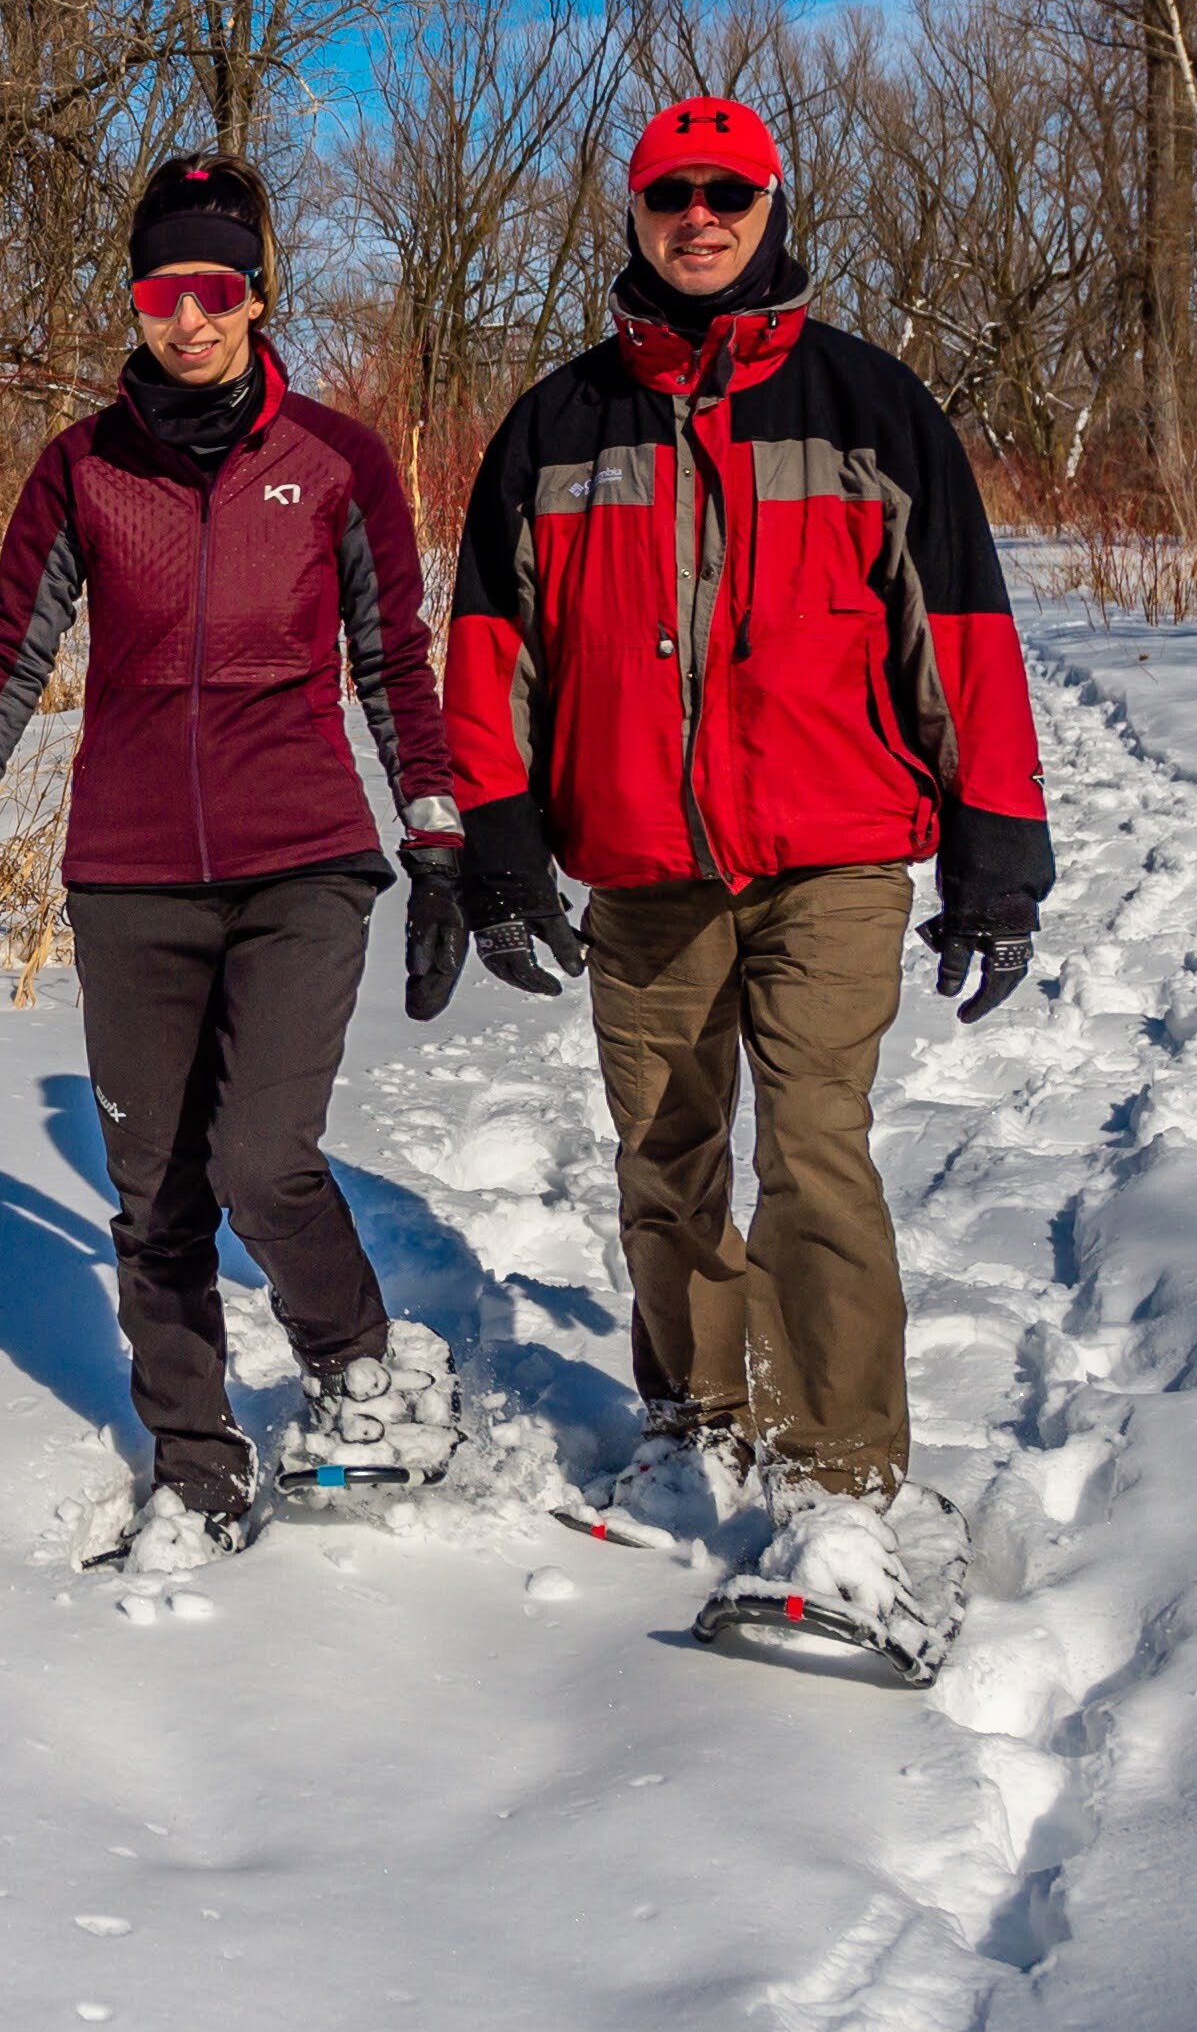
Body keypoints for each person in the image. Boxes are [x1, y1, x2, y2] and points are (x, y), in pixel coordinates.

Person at [431, 95, 1055, 1634]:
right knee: (666, 1155)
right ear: (635, 214)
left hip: (834, 856)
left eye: (726, 192)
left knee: (816, 1151)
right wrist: (497, 849)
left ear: (772, 205)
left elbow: (964, 640)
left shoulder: (869, 406)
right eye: (671, 194)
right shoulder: (558, 425)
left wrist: (997, 856)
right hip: (641, 864)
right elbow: (490, 654)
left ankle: (840, 1486)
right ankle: (700, 1420)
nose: (698, 217)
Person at [0, 152, 468, 1573]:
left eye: (215, 288)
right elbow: (14, 648)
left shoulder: (337, 462)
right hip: (132, 875)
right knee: (154, 1195)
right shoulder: (82, 467)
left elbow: (393, 660)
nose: (190, 318)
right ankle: (197, 1462)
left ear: (257, 293)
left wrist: (436, 839)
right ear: (137, 302)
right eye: (163, 292)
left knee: (260, 1160)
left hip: (302, 861)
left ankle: (362, 1367)